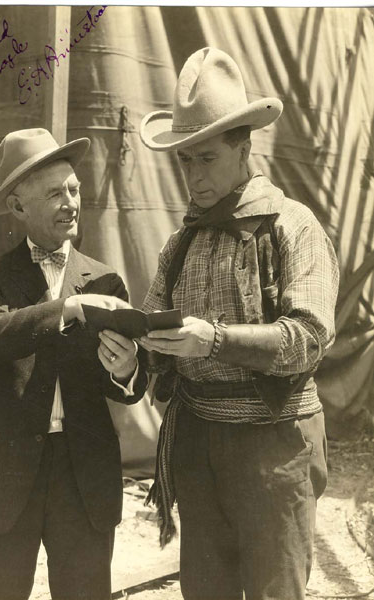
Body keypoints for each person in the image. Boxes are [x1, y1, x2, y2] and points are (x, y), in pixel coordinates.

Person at [138, 48, 339, 600]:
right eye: (184, 161)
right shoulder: (181, 242)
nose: (193, 176)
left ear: (244, 147)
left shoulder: (293, 228)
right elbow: (155, 329)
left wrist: (215, 339)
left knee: (275, 590)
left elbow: (309, 339)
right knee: (205, 591)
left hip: (275, 448)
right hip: (199, 445)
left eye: (206, 159)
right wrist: (134, 352)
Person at [0, 128, 148, 600]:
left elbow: (129, 385)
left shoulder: (104, 280)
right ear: (17, 207)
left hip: (82, 472)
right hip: (6, 470)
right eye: (55, 193)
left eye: (74, 189)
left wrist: (125, 370)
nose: (70, 203)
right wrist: (68, 310)